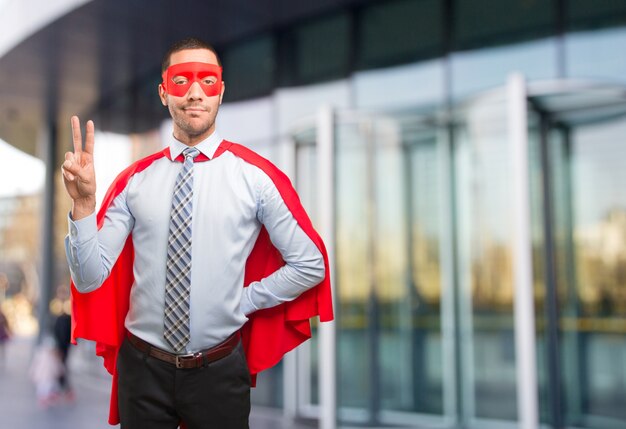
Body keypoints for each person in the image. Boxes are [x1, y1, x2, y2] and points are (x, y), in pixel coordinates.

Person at [62, 37, 332, 429]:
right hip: (143, 371)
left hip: (218, 372)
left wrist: (244, 301)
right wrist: (84, 206)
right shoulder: (134, 182)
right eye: (180, 80)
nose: (193, 92)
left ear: (221, 90)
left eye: (207, 80)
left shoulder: (255, 179)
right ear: (163, 92)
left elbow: (310, 264)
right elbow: (89, 280)